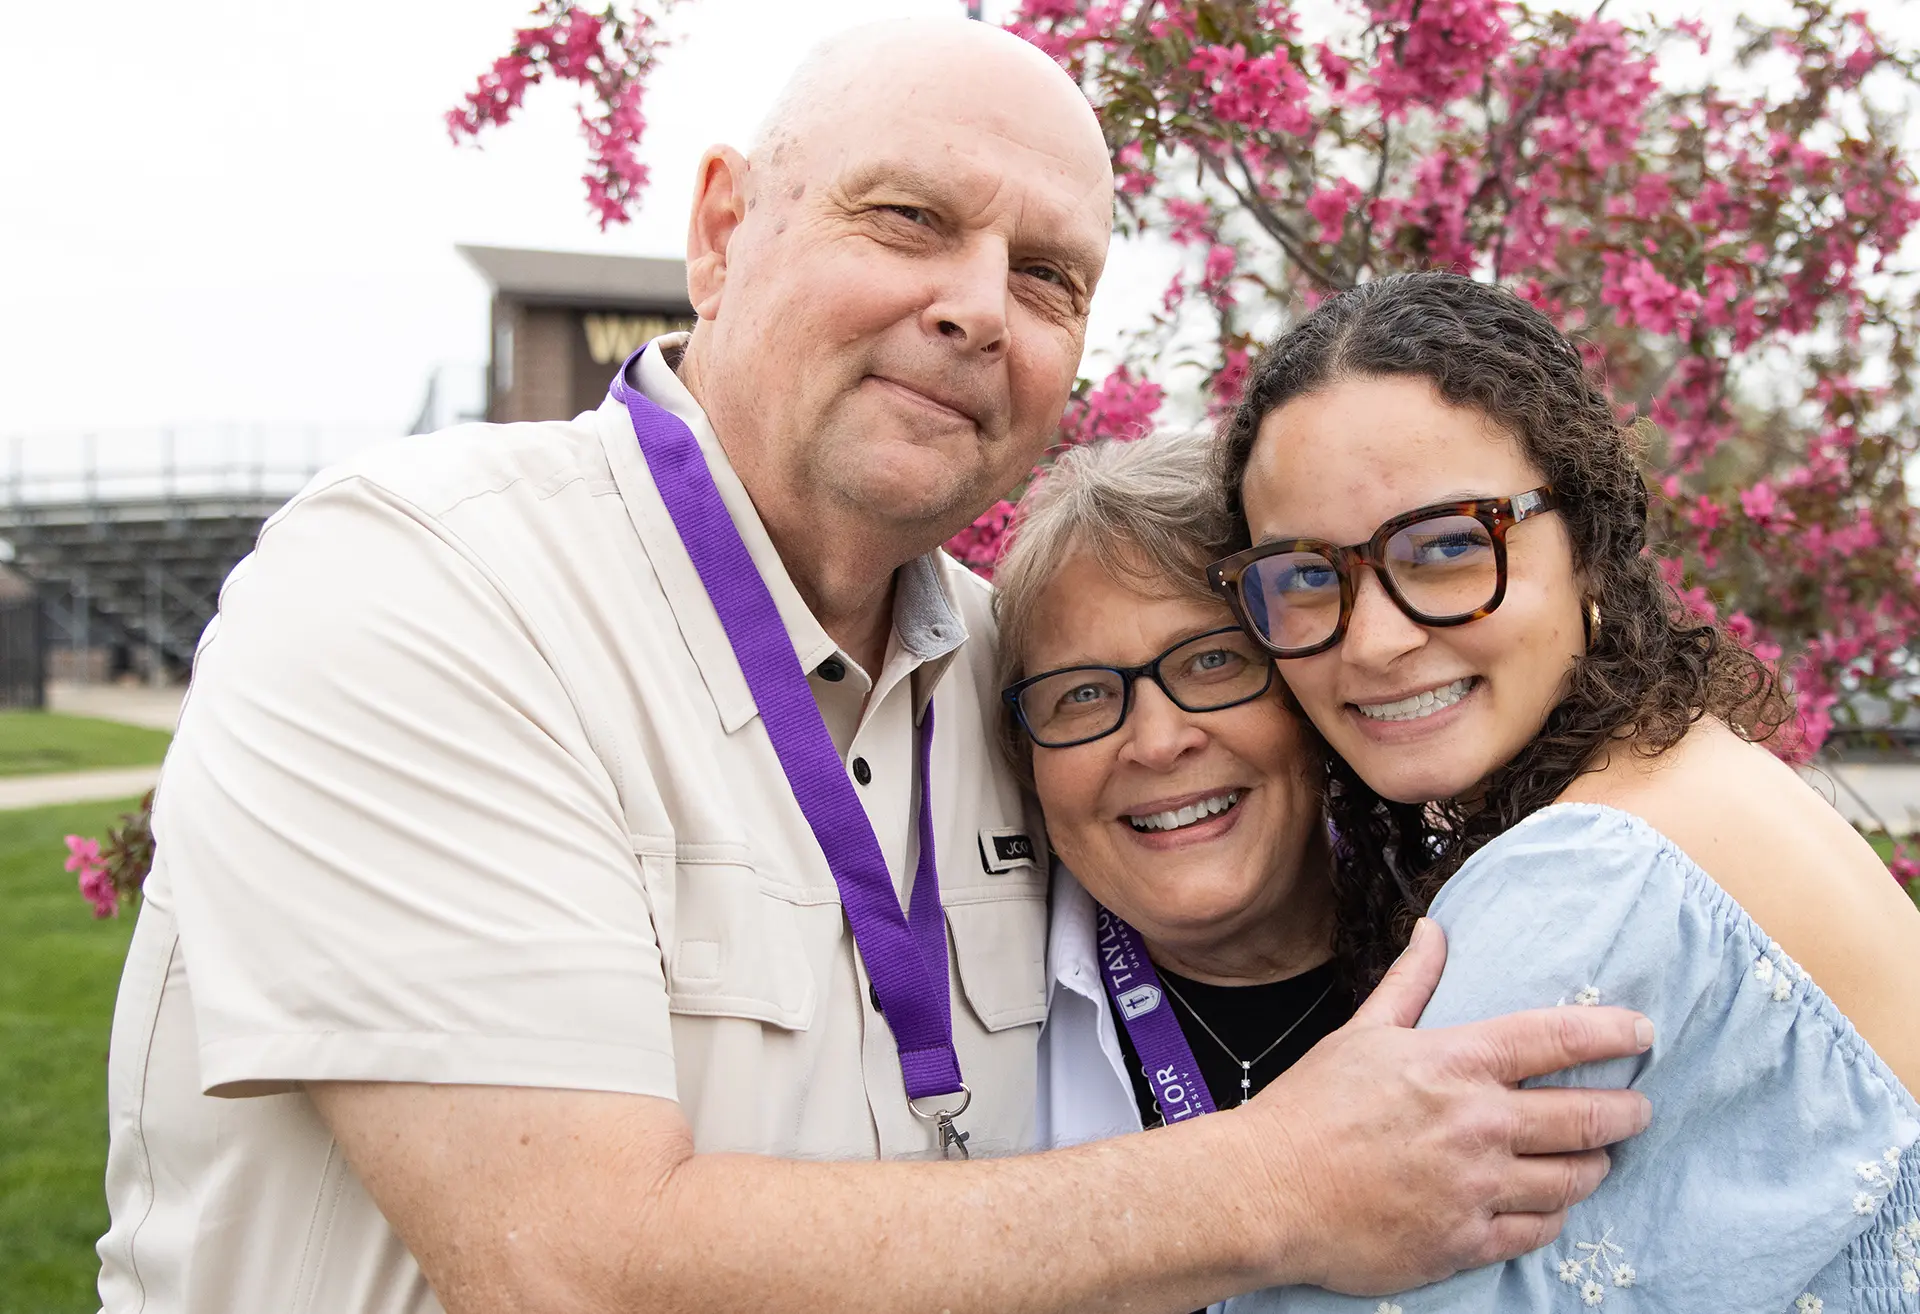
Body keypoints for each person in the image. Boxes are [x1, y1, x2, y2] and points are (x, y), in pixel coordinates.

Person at [96, 26, 1656, 1314]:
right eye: (907, 217)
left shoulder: (1024, 682)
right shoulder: (425, 585)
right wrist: (1272, 1183)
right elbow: (569, 1264)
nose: (978, 304)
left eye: (1048, 276)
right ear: (719, 233)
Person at [1208, 271, 1920, 1311]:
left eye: (1448, 548)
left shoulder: (1592, 874)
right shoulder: (1699, 778)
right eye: (1306, 577)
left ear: (1588, 544)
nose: (1373, 641)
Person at [990, 431, 1351, 1152]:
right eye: (1083, 693)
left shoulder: (1486, 942)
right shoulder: (986, 1034)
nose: (1158, 743)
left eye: (1212, 660)